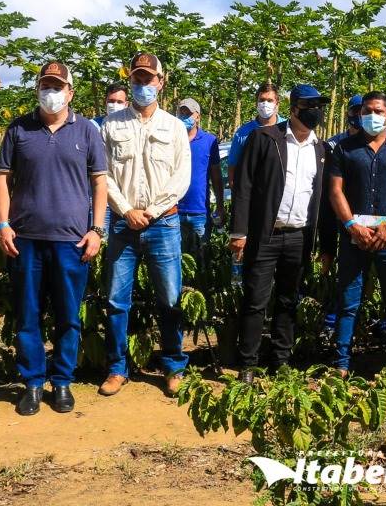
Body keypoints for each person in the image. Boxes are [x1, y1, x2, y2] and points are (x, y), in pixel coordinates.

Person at [0, 61, 109, 416]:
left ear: (70, 93)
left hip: (71, 241)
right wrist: (3, 224)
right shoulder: (19, 129)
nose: (51, 93)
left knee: (67, 315)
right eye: (46, 86)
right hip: (26, 238)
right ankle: (31, 383)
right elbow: (2, 179)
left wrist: (97, 229)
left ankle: (61, 381)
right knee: (28, 315)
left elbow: (99, 182)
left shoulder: (88, 131)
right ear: (37, 90)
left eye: (58, 87)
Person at [99, 53, 191, 398]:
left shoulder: (174, 128)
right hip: (123, 224)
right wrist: (125, 209)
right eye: (137, 79)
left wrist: (150, 211)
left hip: (163, 224)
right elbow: (102, 175)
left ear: (161, 83)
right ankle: (117, 369)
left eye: (148, 79)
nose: (142, 85)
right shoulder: (112, 125)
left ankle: (173, 366)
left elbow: (180, 178)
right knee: (116, 300)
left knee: (169, 298)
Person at [230, 84, 334, 382]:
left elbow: (322, 199)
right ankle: (248, 363)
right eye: (308, 106)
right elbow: (244, 188)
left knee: (289, 300)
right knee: (255, 299)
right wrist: (239, 232)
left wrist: (324, 244)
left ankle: (280, 361)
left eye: (318, 106)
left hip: (299, 237)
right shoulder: (265, 138)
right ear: (293, 109)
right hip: (266, 235)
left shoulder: (320, 149)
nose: (314, 112)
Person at [326, 91, 386, 375]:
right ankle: (341, 362)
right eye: (366, 111)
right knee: (348, 301)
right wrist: (350, 225)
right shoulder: (344, 148)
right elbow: (334, 190)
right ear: (358, 114)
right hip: (355, 237)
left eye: (378, 111)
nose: (372, 116)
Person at [175, 98, 225, 269]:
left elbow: (216, 177)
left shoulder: (209, 141)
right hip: (174, 212)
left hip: (199, 213)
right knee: (177, 260)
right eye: (181, 113)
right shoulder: (172, 139)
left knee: (200, 261)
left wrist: (220, 206)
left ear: (197, 117)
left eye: (188, 113)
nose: (184, 116)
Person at [227, 83, 283, 186]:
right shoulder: (243, 132)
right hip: (253, 194)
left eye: (270, 100)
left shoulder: (286, 129)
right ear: (256, 103)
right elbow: (232, 168)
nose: (265, 104)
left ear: (277, 104)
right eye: (261, 100)